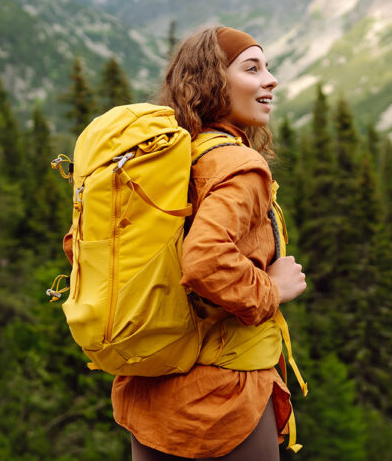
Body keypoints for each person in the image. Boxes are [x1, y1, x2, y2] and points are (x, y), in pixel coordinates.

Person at [103, 27, 308, 460]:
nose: (271, 79)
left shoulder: (163, 162)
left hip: (152, 390)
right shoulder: (238, 164)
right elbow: (203, 260)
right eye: (252, 68)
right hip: (224, 400)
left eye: (267, 67)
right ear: (213, 81)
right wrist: (273, 288)